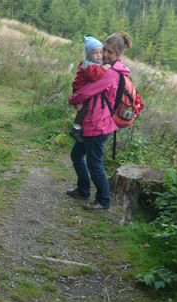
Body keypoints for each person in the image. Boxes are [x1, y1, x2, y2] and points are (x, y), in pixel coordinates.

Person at [66, 32, 133, 210]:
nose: (104, 54)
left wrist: (73, 99)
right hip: (92, 122)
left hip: (99, 125)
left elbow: (87, 91)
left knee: (94, 164)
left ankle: (103, 200)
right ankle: (83, 190)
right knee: (76, 155)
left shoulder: (111, 73)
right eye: (104, 50)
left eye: (110, 52)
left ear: (118, 55)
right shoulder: (105, 67)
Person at [69, 35, 107, 143]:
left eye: (100, 52)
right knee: (83, 108)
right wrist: (105, 68)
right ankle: (76, 129)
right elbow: (94, 76)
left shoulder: (93, 63)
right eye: (95, 53)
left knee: (86, 108)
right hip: (79, 88)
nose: (99, 55)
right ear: (88, 54)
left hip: (81, 88)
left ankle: (80, 127)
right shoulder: (89, 65)